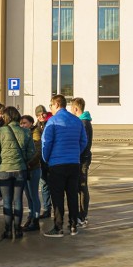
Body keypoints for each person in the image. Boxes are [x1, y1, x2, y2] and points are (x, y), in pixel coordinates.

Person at [41, 95, 87, 237]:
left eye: (51, 106)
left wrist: (46, 159)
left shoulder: (52, 121)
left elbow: (46, 143)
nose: (50, 109)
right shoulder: (76, 121)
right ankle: (73, 226)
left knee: (57, 196)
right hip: (74, 164)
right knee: (72, 195)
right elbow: (83, 141)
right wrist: (75, 153)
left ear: (56, 104)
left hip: (57, 164)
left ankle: (58, 227)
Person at [0, 105, 35, 239]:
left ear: (7, 117)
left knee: (6, 201)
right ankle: (18, 229)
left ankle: (7, 230)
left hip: (4, 170)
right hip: (20, 170)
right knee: (18, 200)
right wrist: (23, 160)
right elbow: (31, 152)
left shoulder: (0, 131)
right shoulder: (26, 132)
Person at [70, 98, 94, 227]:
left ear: (75, 108)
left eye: (71, 108)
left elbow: (83, 144)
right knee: (80, 187)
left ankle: (82, 216)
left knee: (82, 187)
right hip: (82, 158)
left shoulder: (83, 123)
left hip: (82, 159)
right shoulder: (84, 121)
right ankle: (82, 215)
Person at [19, 114, 43, 232]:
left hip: (33, 168)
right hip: (26, 168)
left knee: (34, 195)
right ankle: (30, 216)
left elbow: (38, 151)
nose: (22, 125)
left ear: (31, 123)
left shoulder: (35, 134)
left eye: (25, 123)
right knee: (28, 196)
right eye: (21, 123)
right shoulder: (24, 134)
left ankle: (36, 219)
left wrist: (29, 163)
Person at [34, 104, 53, 219]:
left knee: (54, 185)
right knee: (44, 185)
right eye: (39, 114)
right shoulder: (36, 127)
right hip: (41, 161)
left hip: (51, 160)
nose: (41, 116)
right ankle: (47, 209)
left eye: (43, 113)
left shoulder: (50, 124)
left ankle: (55, 208)